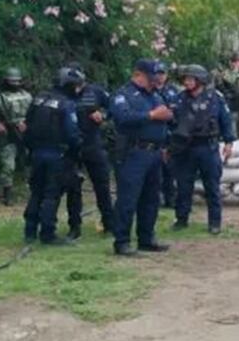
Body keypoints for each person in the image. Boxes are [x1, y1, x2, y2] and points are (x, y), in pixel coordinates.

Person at [109, 59, 173, 256]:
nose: (155, 81)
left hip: (154, 152)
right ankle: (122, 242)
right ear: (139, 75)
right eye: (151, 77)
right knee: (128, 199)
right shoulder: (123, 95)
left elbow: (165, 118)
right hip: (133, 152)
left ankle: (146, 238)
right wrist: (152, 115)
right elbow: (123, 118)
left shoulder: (155, 95)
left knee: (151, 199)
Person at [169, 65, 235, 234]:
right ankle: (181, 219)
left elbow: (226, 120)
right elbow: (171, 123)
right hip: (186, 148)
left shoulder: (215, 98)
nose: (187, 82)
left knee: (212, 186)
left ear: (200, 80)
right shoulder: (179, 99)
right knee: (184, 186)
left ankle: (214, 222)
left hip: (208, 147)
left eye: (191, 79)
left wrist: (229, 142)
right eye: (185, 79)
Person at [23, 66, 84, 245]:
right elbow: (72, 133)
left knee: (36, 192)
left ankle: (30, 231)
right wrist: (77, 150)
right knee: (52, 194)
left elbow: (26, 126)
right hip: (57, 154)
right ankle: (48, 233)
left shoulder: (38, 99)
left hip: (36, 153)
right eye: (76, 86)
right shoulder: (66, 104)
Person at [64, 62, 115, 238]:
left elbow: (114, 106)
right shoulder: (64, 93)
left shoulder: (96, 91)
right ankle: (74, 227)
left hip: (93, 143)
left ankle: (110, 223)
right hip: (71, 146)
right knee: (73, 188)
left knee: (102, 185)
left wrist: (104, 115)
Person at [0, 67, 33, 206]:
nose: (14, 84)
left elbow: (34, 113)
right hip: (8, 134)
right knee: (8, 165)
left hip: (26, 134)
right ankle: (7, 194)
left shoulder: (27, 96)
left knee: (31, 162)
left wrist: (28, 123)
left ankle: (34, 190)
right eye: (11, 81)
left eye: (17, 81)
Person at [153, 61, 178, 209]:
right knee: (156, 169)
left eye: (162, 74)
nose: (160, 77)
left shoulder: (173, 91)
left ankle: (171, 198)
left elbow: (177, 112)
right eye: (157, 74)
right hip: (155, 133)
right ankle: (158, 197)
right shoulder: (149, 90)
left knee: (170, 168)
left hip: (170, 133)